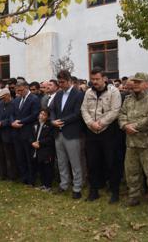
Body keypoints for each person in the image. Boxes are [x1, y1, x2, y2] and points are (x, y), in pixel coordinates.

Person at [81, 67, 122, 203]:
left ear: (104, 78)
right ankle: (94, 191)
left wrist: (101, 123)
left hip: (108, 131)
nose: (94, 82)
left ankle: (114, 191)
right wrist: (90, 123)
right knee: (92, 162)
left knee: (111, 162)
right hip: (92, 131)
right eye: (92, 79)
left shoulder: (113, 92)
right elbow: (84, 109)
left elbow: (115, 110)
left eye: (97, 79)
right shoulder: (88, 92)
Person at [119, 72, 148, 214]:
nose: (135, 84)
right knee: (131, 171)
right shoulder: (128, 99)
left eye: (138, 82)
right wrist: (124, 125)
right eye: (134, 81)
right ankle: (134, 196)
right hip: (131, 143)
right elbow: (121, 114)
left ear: (146, 84)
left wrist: (135, 126)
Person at [51, 70, 84, 199]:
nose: (60, 84)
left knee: (75, 162)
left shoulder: (78, 94)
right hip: (58, 133)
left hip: (72, 133)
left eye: (62, 82)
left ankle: (77, 187)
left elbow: (77, 113)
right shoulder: (58, 94)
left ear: (70, 81)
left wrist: (62, 121)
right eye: (59, 82)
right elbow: (52, 109)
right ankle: (64, 184)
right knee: (61, 161)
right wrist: (53, 120)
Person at [11, 81, 40, 185]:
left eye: (21, 90)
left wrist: (21, 122)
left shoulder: (34, 99)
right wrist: (12, 122)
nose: (19, 92)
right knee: (20, 156)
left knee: (29, 157)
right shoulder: (16, 100)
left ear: (26, 88)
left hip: (28, 132)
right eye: (18, 90)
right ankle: (24, 177)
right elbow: (12, 113)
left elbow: (34, 115)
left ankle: (31, 179)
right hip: (17, 132)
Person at [0, 88, 18, 181]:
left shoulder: (14, 104)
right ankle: (3, 174)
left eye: (4, 97)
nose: (3, 99)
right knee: (0, 155)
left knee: (10, 156)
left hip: (8, 133)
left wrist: (2, 123)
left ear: (8, 95)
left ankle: (12, 175)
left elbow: (12, 117)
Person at [30, 108, 55, 192]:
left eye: (44, 115)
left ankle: (48, 186)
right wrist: (32, 142)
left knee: (47, 168)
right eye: (41, 113)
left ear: (47, 117)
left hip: (46, 150)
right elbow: (31, 135)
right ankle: (43, 184)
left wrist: (40, 142)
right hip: (36, 149)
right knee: (40, 167)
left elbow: (50, 138)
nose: (42, 116)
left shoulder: (50, 126)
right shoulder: (35, 124)